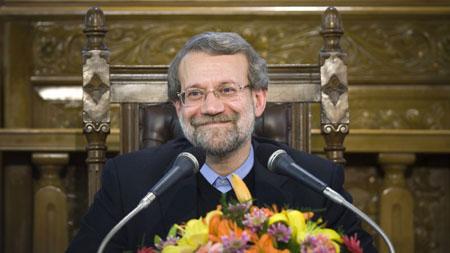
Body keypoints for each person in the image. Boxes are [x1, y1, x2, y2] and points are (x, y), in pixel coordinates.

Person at [67, 32, 377, 252]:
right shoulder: (129, 182)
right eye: (195, 93)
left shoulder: (318, 182)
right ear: (179, 108)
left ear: (258, 100)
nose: (212, 107)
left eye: (227, 90)